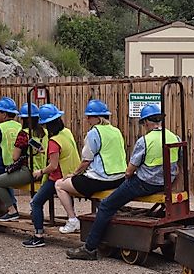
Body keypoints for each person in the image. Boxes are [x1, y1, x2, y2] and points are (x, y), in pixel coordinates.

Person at [66, 103, 179, 260]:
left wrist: (127, 177)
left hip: (144, 183)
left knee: (106, 205)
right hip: (166, 182)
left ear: (146, 122)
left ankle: (89, 248)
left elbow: (131, 168)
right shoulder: (174, 137)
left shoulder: (145, 141)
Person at [55, 99, 127, 234]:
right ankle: (100, 213)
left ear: (97, 118)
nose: (87, 119)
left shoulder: (94, 133)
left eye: (89, 116)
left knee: (59, 184)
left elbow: (86, 161)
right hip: (120, 178)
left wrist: (74, 174)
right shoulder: (116, 131)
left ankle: (72, 220)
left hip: (100, 180)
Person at [22, 104, 81, 248]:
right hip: (71, 175)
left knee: (36, 203)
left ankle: (38, 235)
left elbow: (53, 166)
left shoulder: (54, 142)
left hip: (57, 178)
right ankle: (72, 220)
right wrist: (45, 151)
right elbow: (63, 152)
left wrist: (40, 172)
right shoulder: (66, 133)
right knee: (66, 198)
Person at [0, 102, 45, 221]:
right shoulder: (43, 133)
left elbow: (15, 156)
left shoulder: (23, 134)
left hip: (29, 171)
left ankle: (12, 211)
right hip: (43, 170)